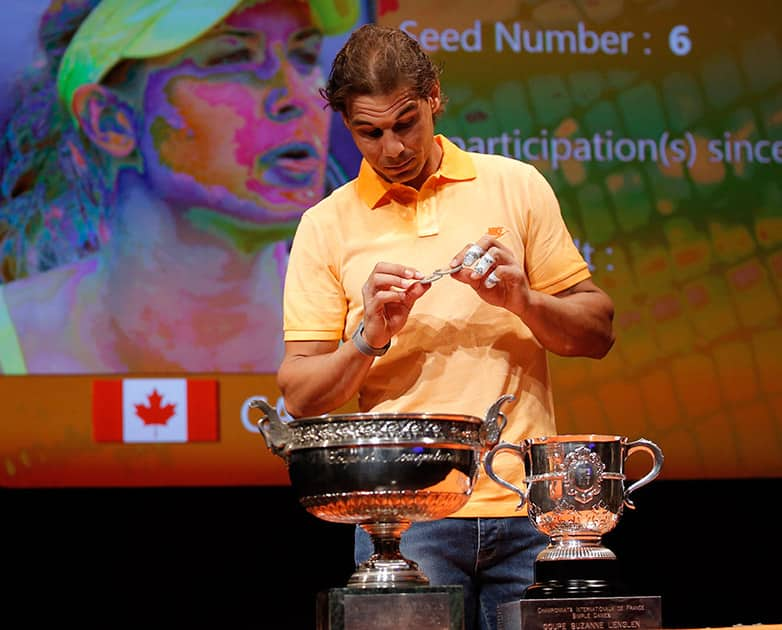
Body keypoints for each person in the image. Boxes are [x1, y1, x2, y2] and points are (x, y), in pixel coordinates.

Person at [276, 23, 616, 630]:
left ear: (435, 96)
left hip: (528, 508)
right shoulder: (324, 226)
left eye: (405, 122)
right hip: (406, 521)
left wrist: (522, 298)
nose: (392, 149)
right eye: (368, 132)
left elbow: (596, 333)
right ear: (345, 124)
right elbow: (300, 397)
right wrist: (368, 337)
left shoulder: (516, 186)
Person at [0, 0, 358, 374]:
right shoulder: (10, 339)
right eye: (232, 58)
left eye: (306, 56)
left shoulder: (375, 332)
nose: (299, 96)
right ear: (110, 122)